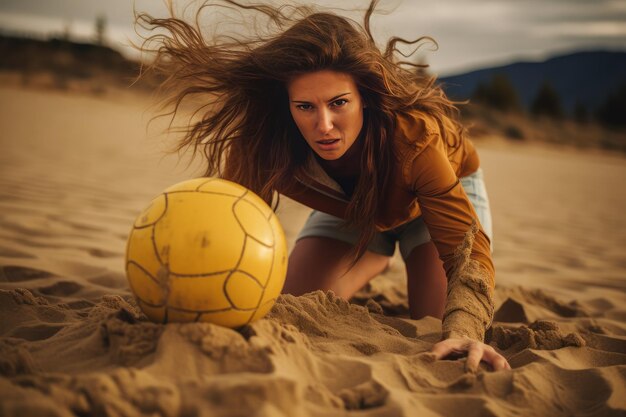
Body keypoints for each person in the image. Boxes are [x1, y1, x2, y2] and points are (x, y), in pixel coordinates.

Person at [138, 0, 510, 372]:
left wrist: (466, 327)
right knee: (291, 303)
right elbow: (231, 226)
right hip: (351, 207)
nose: (325, 125)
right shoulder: (262, 143)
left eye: (339, 103)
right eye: (305, 107)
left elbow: (466, 253)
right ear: (287, 106)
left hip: (430, 203)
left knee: (441, 325)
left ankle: (382, 251)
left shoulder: (415, 142)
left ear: (364, 97)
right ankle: (373, 253)